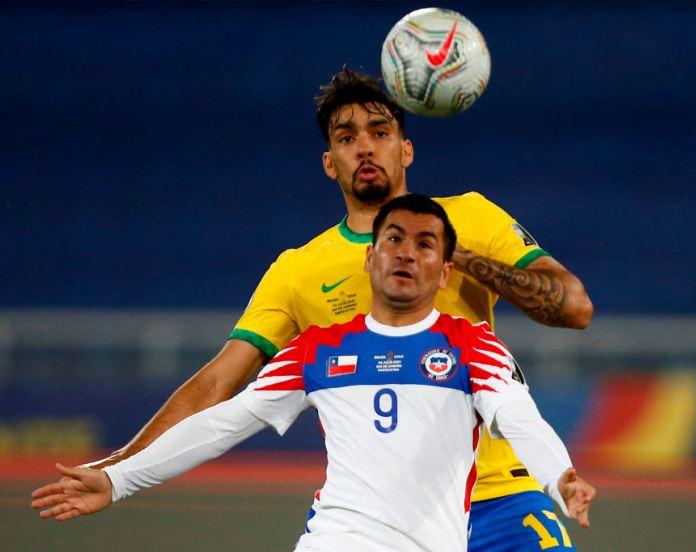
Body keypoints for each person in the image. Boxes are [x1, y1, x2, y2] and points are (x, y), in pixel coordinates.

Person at [81, 68, 594, 550]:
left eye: (380, 131)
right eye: (346, 138)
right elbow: (219, 386)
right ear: (330, 162)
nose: (365, 147)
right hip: (373, 517)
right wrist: (121, 465)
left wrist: (463, 258)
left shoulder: (470, 217)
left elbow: (575, 308)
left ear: (406, 149)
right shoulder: (299, 270)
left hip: (502, 498)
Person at [32, 195, 595, 552]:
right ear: (370, 258)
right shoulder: (317, 349)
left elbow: (520, 419)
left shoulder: (473, 346)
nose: (406, 253)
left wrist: (559, 476)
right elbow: (224, 422)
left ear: (444, 269)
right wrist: (119, 477)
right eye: (393, 240)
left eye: (425, 244)